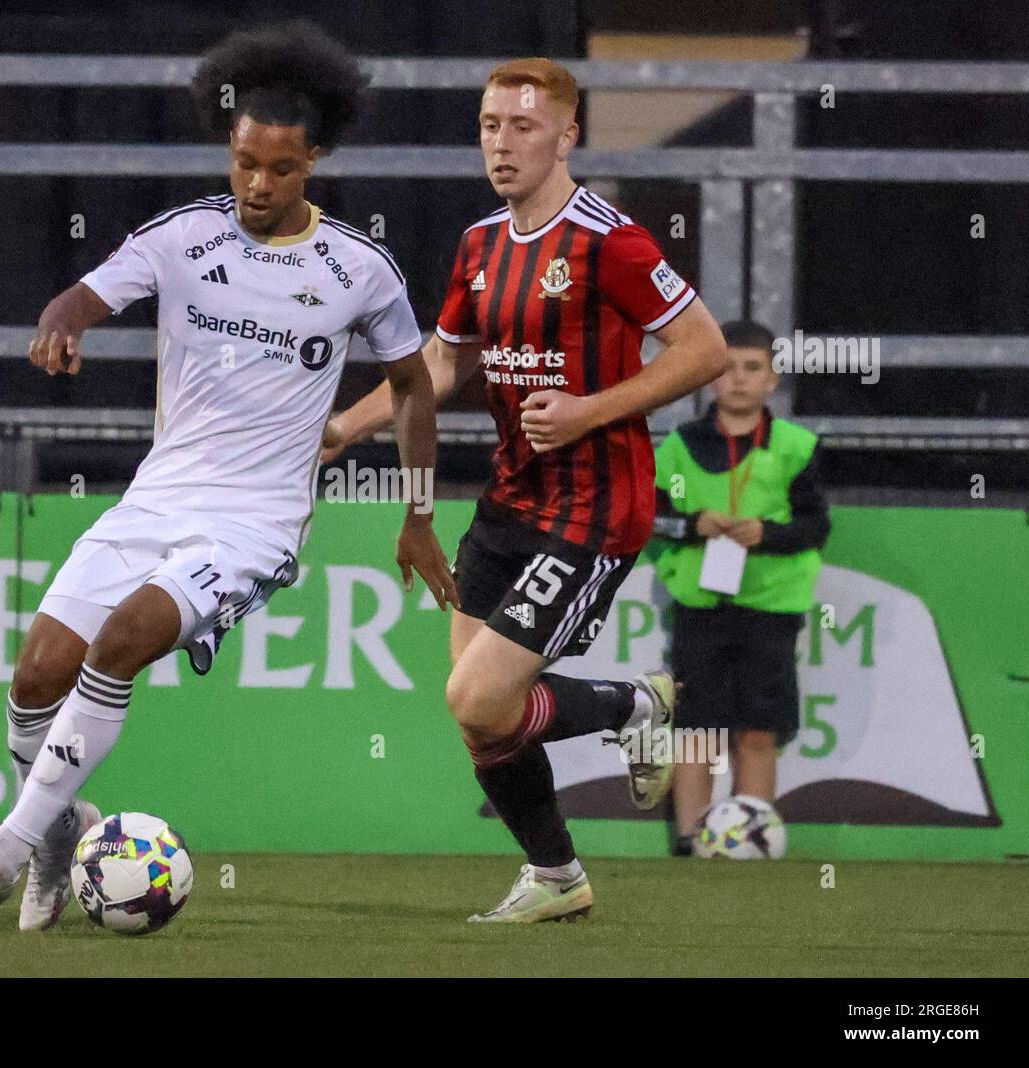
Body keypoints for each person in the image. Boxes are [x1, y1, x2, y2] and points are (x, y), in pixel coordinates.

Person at [0, 22, 457, 928]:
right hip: (155, 499)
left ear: (312, 160)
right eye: (245, 162)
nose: (256, 184)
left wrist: (418, 513)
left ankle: (0, 852)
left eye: (279, 168)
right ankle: (55, 840)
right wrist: (65, 318)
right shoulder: (183, 238)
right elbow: (85, 293)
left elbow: (413, 382)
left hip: (256, 525)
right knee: (37, 673)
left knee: (122, 639)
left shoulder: (359, 269)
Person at [323, 58, 727, 921]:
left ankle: (632, 704)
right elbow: (440, 362)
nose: (501, 145)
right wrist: (338, 431)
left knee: (477, 695)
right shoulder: (479, 245)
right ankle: (557, 877)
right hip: (510, 501)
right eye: (489, 126)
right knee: (481, 719)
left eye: (523, 127)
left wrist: (588, 411)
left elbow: (704, 350)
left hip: (595, 507)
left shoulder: (608, 240)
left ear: (568, 134)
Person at [652, 320, 830, 856]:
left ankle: (751, 839)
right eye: (727, 367)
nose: (738, 379)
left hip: (770, 608)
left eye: (752, 368)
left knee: (757, 728)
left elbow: (815, 525)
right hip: (699, 607)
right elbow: (647, 517)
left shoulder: (797, 447)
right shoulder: (679, 446)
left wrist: (766, 533)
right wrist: (689, 525)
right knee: (697, 730)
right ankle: (690, 840)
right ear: (709, 377)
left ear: (773, 379)